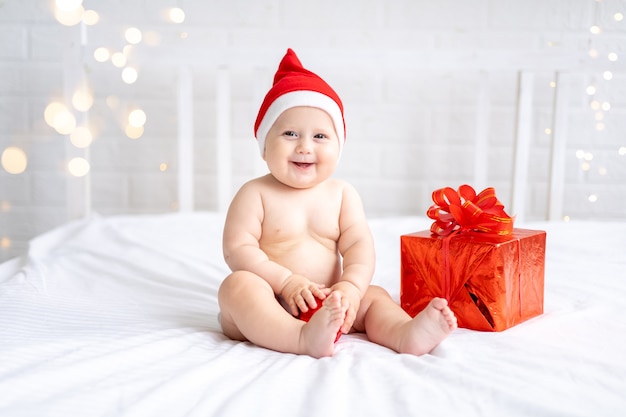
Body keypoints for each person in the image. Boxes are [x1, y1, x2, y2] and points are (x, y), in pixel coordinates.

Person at [218, 48, 457, 358]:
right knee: (237, 287)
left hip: (332, 303)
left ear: (338, 146)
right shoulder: (255, 194)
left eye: (320, 136)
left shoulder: (342, 194)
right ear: (265, 146)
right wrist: (286, 282)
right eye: (290, 133)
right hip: (272, 301)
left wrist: (351, 289)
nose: (304, 146)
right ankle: (300, 338)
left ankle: (404, 334)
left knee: (375, 296)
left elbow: (359, 246)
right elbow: (237, 249)